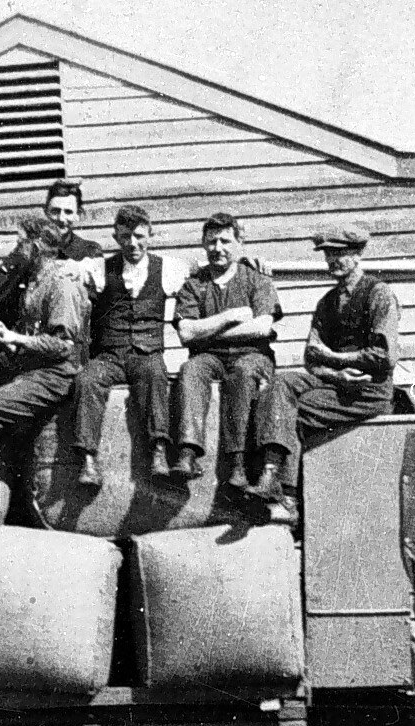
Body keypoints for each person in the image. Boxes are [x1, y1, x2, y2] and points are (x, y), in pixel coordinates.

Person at [0, 214, 90, 532]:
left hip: (55, 377)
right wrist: (4, 335)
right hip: (32, 371)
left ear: (36, 247)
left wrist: (16, 338)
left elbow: (63, 345)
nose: (16, 248)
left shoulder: (61, 284)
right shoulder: (33, 281)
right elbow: (31, 339)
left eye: (21, 242)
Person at [248, 224, 401, 525]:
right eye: (328, 254)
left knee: (291, 411)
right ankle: (270, 475)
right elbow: (311, 358)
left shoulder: (379, 294)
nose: (333, 261)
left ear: (357, 255)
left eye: (339, 254)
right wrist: (336, 375)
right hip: (338, 384)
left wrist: (336, 358)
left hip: (369, 392)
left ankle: (288, 499)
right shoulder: (327, 302)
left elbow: (384, 356)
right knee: (281, 383)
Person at [69, 204, 191, 486]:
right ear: (116, 238)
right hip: (110, 355)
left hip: (146, 353)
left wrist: (248, 261)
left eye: (139, 236)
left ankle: (158, 452)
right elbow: (70, 271)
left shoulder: (168, 268)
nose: (133, 243)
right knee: (87, 380)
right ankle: (88, 460)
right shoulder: (100, 268)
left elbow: (203, 270)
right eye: (125, 236)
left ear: (150, 236)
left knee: (155, 374)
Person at [170, 212, 282, 487]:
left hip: (251, 355)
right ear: (203, 243)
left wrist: (206, 333)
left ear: (239, 244)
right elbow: (186, 333)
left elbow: (261, 327)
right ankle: (188, 452)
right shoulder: (194, 285)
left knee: (242, 373)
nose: (218, 248)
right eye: (211, 242)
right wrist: (230, 316)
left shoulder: (257, 280)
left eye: (225, 241)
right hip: (209, 358)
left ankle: (238, 463)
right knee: (191, 369)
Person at [0, 179, 102, 332]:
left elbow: (92, 299)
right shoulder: (31, 246)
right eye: (55, 211)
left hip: (69, 328)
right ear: (45, 211)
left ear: (78, 214)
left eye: (68, 212)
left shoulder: (89, 250)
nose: (61, 219)